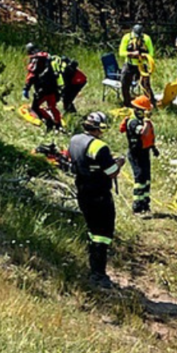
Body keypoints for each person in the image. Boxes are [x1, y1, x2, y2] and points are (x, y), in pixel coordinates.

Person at [69, 112, 125, 289]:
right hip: (99, 195)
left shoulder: (75, 140)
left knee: (92, 231)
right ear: (100, 128)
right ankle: (98, 275)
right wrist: (119, 163)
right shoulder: (100, 146)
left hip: (83, 191)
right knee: (103, 235)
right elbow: (112, 172)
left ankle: (93, 267)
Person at [122, 97, 159, 214]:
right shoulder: (133, 122)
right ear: (138, 110)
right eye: (146, 111)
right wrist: (147, 120)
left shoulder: (142, 120)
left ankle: (145, 203)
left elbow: (148, 138)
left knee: (146, 178)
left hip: (144, 152)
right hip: (135, 154)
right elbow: (144, 132)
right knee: (140, 178)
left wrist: (153, 148)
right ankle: (137, 205)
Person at [22, 43, 63, 131]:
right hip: (53, 87)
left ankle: (49, 123)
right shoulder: (48, 57)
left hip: (42, 88)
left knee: (35, 108)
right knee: (52, 106)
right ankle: (59, 125)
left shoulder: (35, 59)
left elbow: (32, 75)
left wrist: (26, 88)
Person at [118, 24, 155, 108]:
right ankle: (127, 102)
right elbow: (121, 53)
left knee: (146, 84)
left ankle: (150, 102)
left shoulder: (147, 38)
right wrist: (131, 54)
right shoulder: (126, 38)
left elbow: (151, 53)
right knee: (124, 82)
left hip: (142, 64)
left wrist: (143, 56)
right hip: (129, 64)